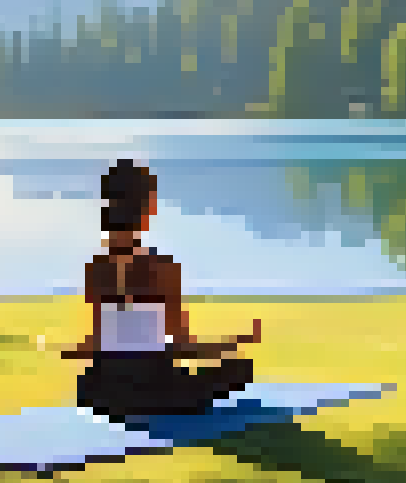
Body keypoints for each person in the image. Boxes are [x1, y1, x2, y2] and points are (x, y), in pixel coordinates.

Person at [62, 159, 262, 418]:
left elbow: (105, 343)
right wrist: (231, 344)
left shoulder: (96, 268)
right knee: (239, 369)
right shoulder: (163, 268)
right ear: (147, 209)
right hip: (153, 392)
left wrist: (78, 349)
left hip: (100, 390)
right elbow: (182, 346)